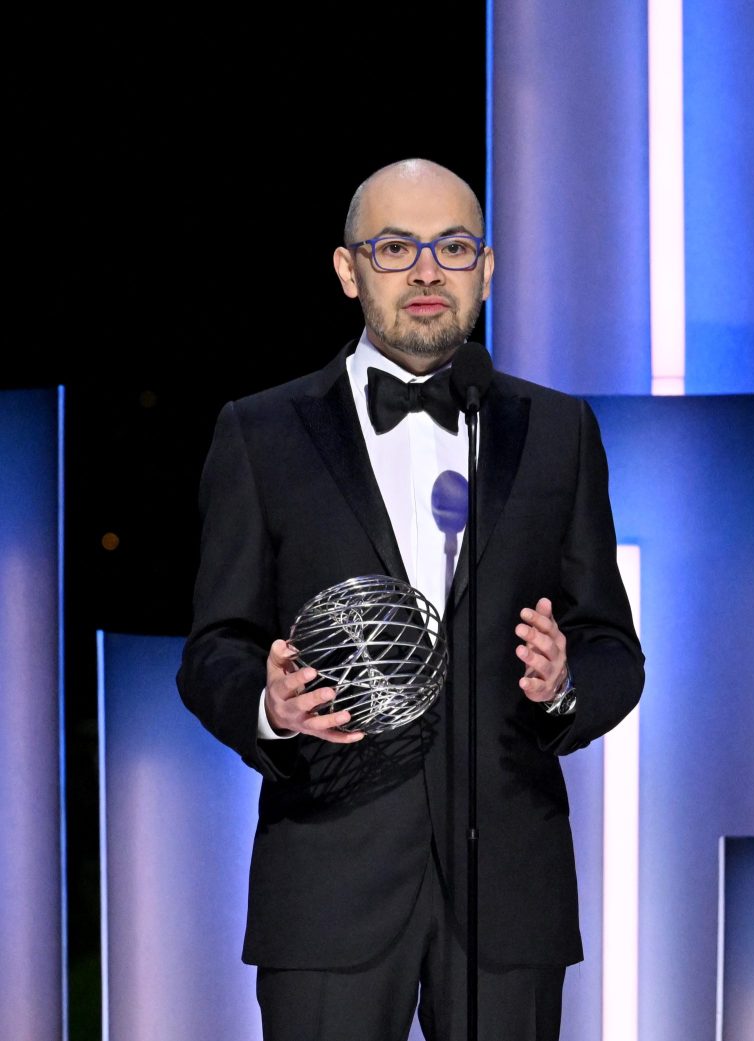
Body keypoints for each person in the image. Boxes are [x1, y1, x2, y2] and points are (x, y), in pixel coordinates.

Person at [177, 158, 644, 1041]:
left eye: (454, 247)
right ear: (349, 270)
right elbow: (213, 649)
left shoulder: (558, 431)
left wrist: (566, 681)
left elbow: (615, 646)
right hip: (327, 887)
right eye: (397, 247)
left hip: (509, 892)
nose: (428, 271)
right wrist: (268, 706)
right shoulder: (260, 432)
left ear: (488, 269)